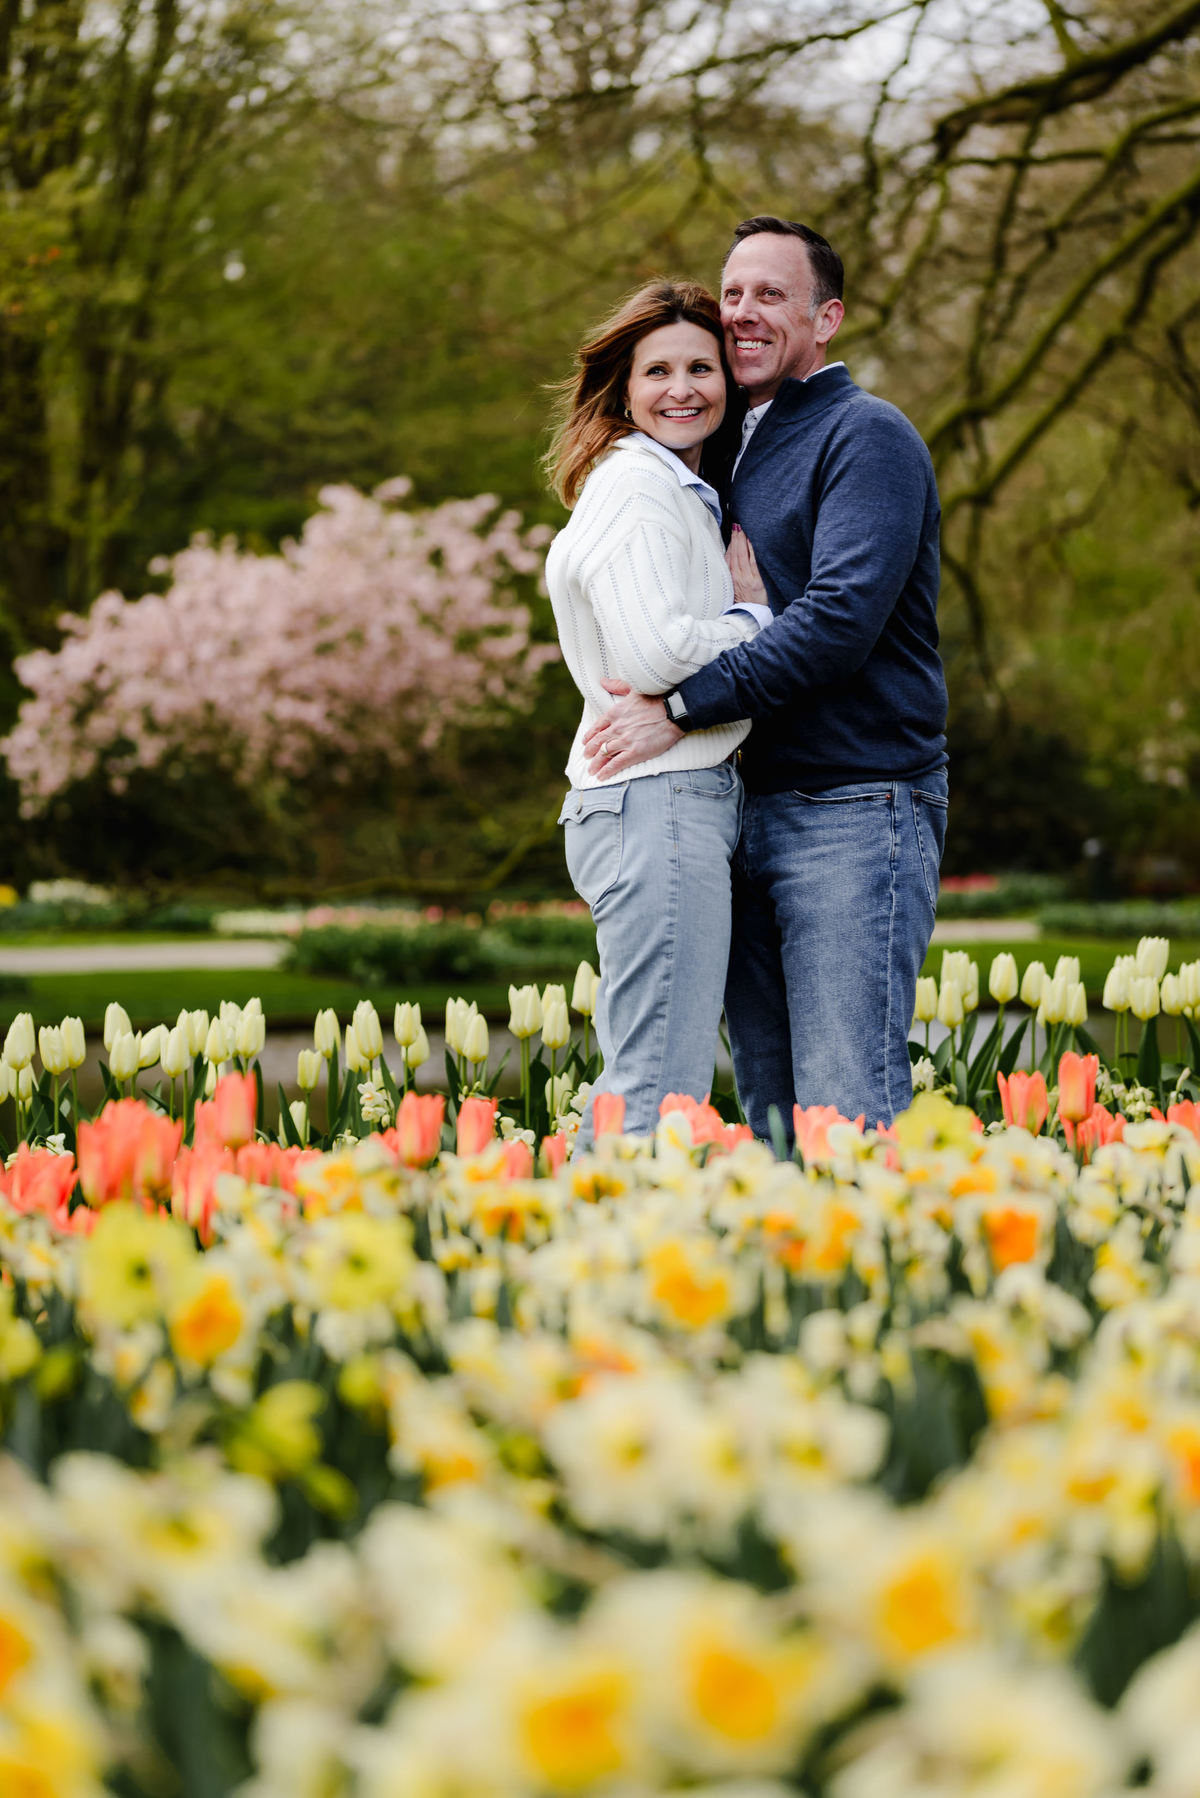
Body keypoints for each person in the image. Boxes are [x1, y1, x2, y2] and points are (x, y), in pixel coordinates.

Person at [583, 217, 949, 1135]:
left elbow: (837, 624)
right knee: (772, 1116)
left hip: (856, 805)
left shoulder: (868, 437)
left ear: (826, 318)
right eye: (733, 292)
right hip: (745, 806)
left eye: (771, 295)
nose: (742, 313)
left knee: (845, 1109)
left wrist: (681, 707)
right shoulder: (725, 448)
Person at [544, 280, 772, 1142]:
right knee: (658, 1088)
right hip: (659, 801)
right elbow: (654, 654)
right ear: (624, 388)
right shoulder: (640, 486)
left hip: (650, 800)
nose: (683, 388)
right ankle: (613, 1265)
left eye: (702, 368)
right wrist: (755, 619)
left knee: (651, 1077)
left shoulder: (661, 484)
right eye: (659, 371)